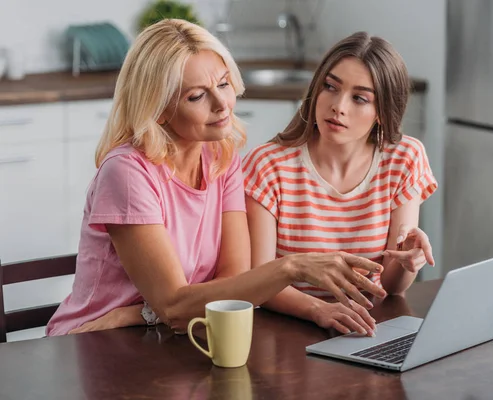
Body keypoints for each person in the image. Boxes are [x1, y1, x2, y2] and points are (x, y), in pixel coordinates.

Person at [45, 20, 386, 336]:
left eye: (223, 84)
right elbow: (176, 307)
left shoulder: (222, 159)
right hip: (94, 342)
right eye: (196, 96)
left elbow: (234, 282)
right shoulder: (129, 173)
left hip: (162, 336)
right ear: (159, 108)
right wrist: (291, 268)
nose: (223, 104)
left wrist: (139, 313)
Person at [242, 32, 438, 338]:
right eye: (330, 87)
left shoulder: (404, 159)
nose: (338, 106)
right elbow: (259, 282)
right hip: (288, 333)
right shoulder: (268, 165)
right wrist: (318, 310)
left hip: (365, 331)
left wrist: (408, 259)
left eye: (359, 98)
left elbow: (390, 287)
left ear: (382, 113)